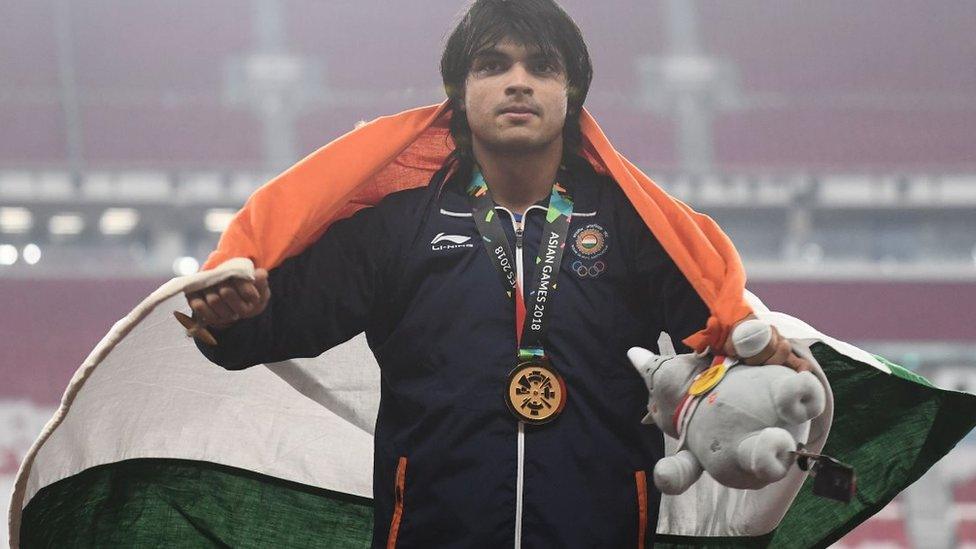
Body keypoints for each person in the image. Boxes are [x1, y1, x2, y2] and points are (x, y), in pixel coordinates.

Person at [187, 0, 803, 546]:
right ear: (459, 91)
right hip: (430, 529)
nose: (518, 83)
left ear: (572, 93)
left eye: (542, 66)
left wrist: (763, 358)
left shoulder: (632, 224)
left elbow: (721, 332)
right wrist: (236, 321)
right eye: (493, 66)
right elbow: (276, 326)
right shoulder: (398, 226)